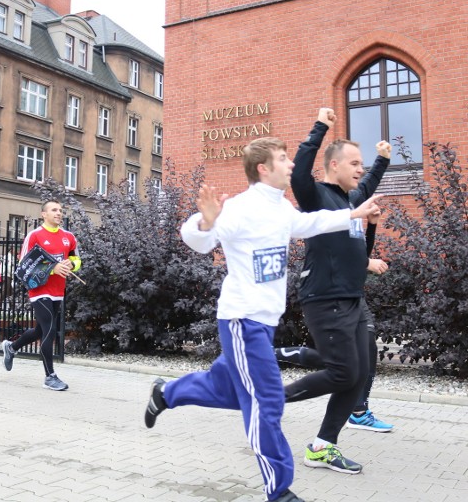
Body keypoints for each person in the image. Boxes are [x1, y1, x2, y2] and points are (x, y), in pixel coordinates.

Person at [143, 137, 382, 502]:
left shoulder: (281, 208)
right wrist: (205, 222)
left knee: (226, 391)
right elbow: (198, 239)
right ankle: (279, 489)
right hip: (242, 321)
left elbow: (309, 223)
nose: (291, 166)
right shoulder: (240, 208)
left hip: (263, 322)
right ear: (263, 169)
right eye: (284, 160)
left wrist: (353, 214)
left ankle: (166, 393)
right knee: (267, 402)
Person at [282, 107, 391, 474]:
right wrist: (320, 128)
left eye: (363, 164)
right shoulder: (315, 197)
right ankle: (270, 400)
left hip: (352, 298)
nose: (360, 170)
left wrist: (382, 161)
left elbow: (360, 247)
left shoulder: (349, 203)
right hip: (325, 297)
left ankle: (323, 446)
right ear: (333, 166)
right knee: (344, 373)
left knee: (356, 373)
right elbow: (299, 172)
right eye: (355, 163)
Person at [275, 211, 393, 432]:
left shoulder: (352, 207)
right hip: (330, 295)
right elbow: (332, 252)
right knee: (344, 365)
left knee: (364, 355)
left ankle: (358, 411)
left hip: (351, 294)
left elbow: (359, 253)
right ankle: (273, 370)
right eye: (356, 173)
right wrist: (367, 262)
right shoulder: (329, 207)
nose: (359, 174)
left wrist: (372, 225)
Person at [1, 199, 81, 391]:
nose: (58, 213)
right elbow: (24, 264)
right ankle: (50, 377)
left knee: (40, 330)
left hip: (58, 291)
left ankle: (11, 347)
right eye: (54, 210)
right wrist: (53, 268)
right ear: (43, 214)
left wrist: (72, 265)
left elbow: (77, 259)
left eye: (60, 210)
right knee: (50, 329)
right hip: (39, 289)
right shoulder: (34, 236)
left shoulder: (68, 236)